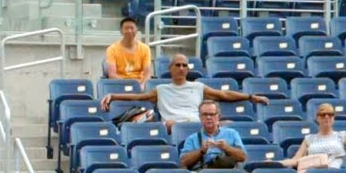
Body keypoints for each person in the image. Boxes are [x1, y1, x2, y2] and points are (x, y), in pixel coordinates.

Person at [100, 53, 268, 131]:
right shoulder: (161, 89)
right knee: (171, 124)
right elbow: (138, 97)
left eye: (184, 65)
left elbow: (223, 95)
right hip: (175, 126)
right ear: (170, 69)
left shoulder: (198, 87)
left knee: (229, 125)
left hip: (198, 124)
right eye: (178, 65)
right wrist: (113, 95)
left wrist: (251, 97)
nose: (181, 68)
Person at [280, 103, 346, 173]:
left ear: (334, 118)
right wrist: (277, 163)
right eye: (323, 115)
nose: (326, 117)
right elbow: (296, 160)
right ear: (317, 118)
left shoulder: (342, 136)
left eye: (330, 114)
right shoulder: (309, 138)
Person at [179, 101, 246, 171]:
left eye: (212, 114)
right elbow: (183, 162)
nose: (208, 117)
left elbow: (242, 157)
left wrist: (227, 148)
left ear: (218, 116)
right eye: (205, 114)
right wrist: (201, 151)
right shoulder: (192, 138)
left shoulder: (232, 133)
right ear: (200, 117)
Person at [106, 17, 153, 84]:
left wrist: (142, 85)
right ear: (121, 31)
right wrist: (130, 84)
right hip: (120, 84)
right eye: (126, 28)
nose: (129, 31)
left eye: (132, 28)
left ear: (136, 30)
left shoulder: (145, 48)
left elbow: (147, 74)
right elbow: (112, 75)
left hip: (140, 83)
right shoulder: (112, 49)